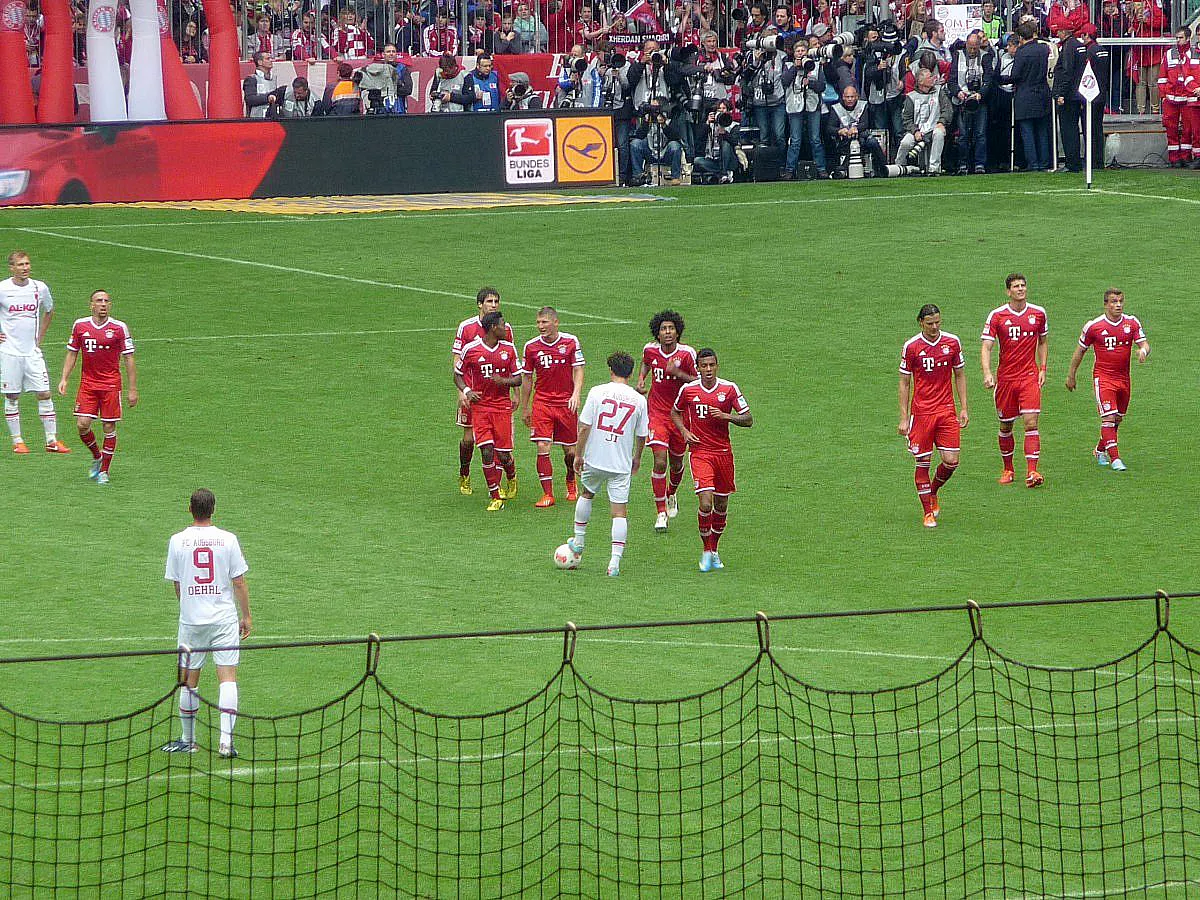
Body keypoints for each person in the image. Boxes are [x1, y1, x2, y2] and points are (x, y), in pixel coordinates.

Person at [162, 488, 251, 759]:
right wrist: (246, 615)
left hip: (191, 621)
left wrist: (188, 606)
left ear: (189, 509)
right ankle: (226, 742)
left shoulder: (177, 541)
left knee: (189, 680)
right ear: (213, 509)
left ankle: (188, 740)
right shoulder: (228, 539)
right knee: (227, 678)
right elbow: (238, 581)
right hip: (223, 619)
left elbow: (177, 583)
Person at [565, 351, 649, 577]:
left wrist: (578, 454)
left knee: (587, 494)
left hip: (595, 459)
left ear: (611, 370)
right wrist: (637, 457)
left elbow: (584, 427)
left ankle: (579, 542)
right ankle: (614, 563)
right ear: (631, 373)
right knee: (619, 513)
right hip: (620, 464)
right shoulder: (639, 400)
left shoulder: (597, 392)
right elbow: (642, 435)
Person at [670, 348, 753, 572]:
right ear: (697, 368)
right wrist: (684, 432)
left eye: (711, 365)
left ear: (717, 366)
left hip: (723, 454)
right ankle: (706, 550)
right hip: (700, 453)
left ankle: (715, 550)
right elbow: (675, 411)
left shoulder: (729, 388)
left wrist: (727, 416)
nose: (708, 369)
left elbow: (748, 419)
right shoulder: (689, 390)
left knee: (721, 505)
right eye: (703, 366)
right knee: (705, 503)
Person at [898, 304, 968, 528]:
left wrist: (964, 407)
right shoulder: (912, 347)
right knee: (923, 463)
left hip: (946, 411)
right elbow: (904, 382)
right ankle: (927, 512)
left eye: (938, 322)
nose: (935, 327)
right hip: (922, 413)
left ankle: (933, 491)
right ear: (921, 323)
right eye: (930, 323)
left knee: (951, 461)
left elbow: (959, 375)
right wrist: (903, 417)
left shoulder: (952, 342)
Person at [57, 289, 138, 485]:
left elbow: (128, 358)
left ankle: (104, 471)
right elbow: (72, 353)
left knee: (108, 426)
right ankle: (97, 456)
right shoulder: (80, 325)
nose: (103, 304)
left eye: (106, 301)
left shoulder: (119, 328)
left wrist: (132, 388)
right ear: (91, 305)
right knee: (82, 424)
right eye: (99, 301)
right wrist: (64, 378)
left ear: (110, 305)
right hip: (88, 384)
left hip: (110, 384)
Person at [1065, 289, 1149, 472]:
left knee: (1117, 419)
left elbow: (1144, 344)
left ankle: (1100, 449)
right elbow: (1080, 351)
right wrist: (1071, 375)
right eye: (1113, 301)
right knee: (1108, 417)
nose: (1118, 305)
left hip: (1124, 379)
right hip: (1103, 378)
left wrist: (1143, 352)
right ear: (1106, 304)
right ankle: (1116, 458)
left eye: (1120, 301)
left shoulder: (1131, 323)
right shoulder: (1093, 326)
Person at [981, 273, 1048, 486]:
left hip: (1029, 377)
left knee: (1030, 422)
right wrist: (987, 372)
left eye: (1023, 285)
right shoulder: (997, 316)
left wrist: (1043, 368)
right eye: (1016, 286)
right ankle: (1008, 468)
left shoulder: (1038, 313)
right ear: (1008, 291)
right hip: (1006, 380)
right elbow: (987, 346)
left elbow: (1043, 342)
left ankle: (1032, 472)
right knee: (1006, 425)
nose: (1021, 289)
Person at [0, 250, 68, 454]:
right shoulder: (3, 289)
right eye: (20, 265)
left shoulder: (40, 287)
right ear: (11, 267)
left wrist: (40, 337)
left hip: (32, 352)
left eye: (27, 264)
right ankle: (17, 441)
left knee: (45, 393)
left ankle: (51, 441)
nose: (25, 268)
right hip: (9, 352)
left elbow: (49, 310)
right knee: (12, 395)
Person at [636, 310, 697, 533]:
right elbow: (645, 363)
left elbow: (698, 382)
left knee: (677, 463)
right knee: (660, 460)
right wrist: (641, 379)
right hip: (657, 414)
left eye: (671, 328)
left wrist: (678, 373)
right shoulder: (650, 350)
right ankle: (660, 512)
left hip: (681, 415)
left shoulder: (688, 354)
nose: (668, 332)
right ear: (658, 333)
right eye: (663, 329)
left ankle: (671, 492)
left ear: (677, 331)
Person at [454, 311, 521, 511]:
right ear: (493, 327)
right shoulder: (471, 349)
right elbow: (457, 374)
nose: (505, 327)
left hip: (501, 407)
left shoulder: (509, 349)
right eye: (502, 324)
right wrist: (467, 391)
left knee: (503, 455)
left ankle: (511, 475)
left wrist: (504, 381)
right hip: (481, 408)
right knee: (486, 450)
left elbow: (519, 378)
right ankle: (495, 495)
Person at [518, 307, 584, 508]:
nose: (540, 326)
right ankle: (547, 494)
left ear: (556, 322)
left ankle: (571, 481)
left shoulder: (571, 342)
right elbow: (527, 378)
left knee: (570, 450)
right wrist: (525, 406)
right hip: (543, 403)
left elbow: (578, 369)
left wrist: (576, 394)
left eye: (544, 322)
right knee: (542, 446)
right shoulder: (531, 347)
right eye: (538, 323)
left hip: (565, 403)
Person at [1010, 20, 1052, 171]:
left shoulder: (1022, 52)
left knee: (1027, 131)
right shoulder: (1043, 49)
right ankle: (1044, 162)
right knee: (1042, 130)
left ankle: (1033, 163)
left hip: (1025, 94)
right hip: (1042, 92)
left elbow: (1015, 75)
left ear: (1021, 37)